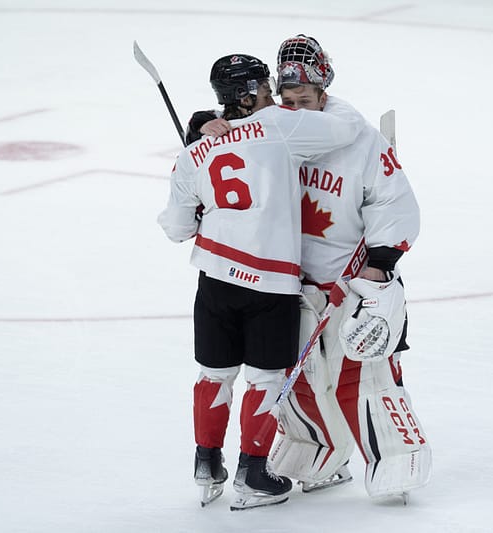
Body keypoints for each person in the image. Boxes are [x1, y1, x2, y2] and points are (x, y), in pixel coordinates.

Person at [197, 35, 432, 502]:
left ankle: (395, 455)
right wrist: (203, 125)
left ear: (324, 92)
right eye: (288, 99)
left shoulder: (357, 135)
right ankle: (316, 449)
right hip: (289, 284)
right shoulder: (275, 129)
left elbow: (393, 200)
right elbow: (228, 158)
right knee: (298, 379)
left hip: (352, 280)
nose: (296, 106)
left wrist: (381, 267)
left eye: (305, 99)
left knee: (364, 374)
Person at [157, 52, 362, 511]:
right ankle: (253, 473)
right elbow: (346, 129)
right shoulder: (279, 126)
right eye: (267, 88)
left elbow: (175, 228)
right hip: (270, 283)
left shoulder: (195, 151)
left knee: (215, 373)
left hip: (214, 280)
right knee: (267, 378)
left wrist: (201, 137)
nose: (274, 95)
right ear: (250, 94)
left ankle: (206, 462)